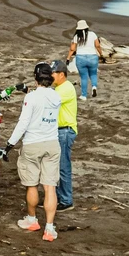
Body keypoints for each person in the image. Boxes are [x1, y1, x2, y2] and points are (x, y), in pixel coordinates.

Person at [1, 63, 62, 242]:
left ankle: (32, 219)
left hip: (32, 144)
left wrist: (10, 144)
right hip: (52, 143)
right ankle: (49, 229)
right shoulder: (56, 96)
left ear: (36, 78)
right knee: (50, 186)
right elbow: (43, 100)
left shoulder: (32, 98)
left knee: (32, 184)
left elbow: (23, 123)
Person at [50, 60, 77, 212]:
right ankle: (58, 196)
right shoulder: (59, 87)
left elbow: (49, 100)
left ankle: (66, 200)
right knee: (57, 166)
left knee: (63, 166)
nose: (51, 77)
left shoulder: (65, 88)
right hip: (60, 131)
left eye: (52, 73)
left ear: (61, 74)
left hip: (65, 131)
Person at [66, 20, 101, 101]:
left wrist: (68, 58)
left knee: (84, 77)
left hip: (80, 58)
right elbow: (98, 45)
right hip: (92, 57)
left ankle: (84, 95)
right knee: (93, 74)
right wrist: (101, 53)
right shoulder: (92, 34)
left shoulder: (76, 36)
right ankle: (94, 87)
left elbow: (72, 49)